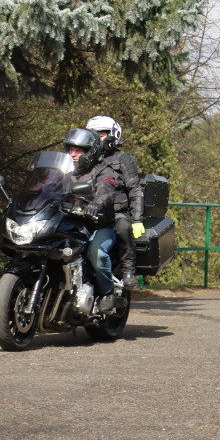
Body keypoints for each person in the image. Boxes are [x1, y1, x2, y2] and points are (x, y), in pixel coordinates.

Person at [63, 127, 121, 312]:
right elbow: (45, 185)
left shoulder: (104, 168)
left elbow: (106, 188)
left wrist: (96, 202)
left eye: (78, 150)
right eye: (70, 149)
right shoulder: (65, 170)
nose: (73, 154)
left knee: (96, 252)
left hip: (100, 224)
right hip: (72, 223)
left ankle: (107, 293)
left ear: (90, 152)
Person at [86, 115, 144, 290]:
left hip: (117, 211)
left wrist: (137, 219)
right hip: (88, 210)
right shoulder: (85, 158)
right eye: (93, 134)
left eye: (101, 134)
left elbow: (134, 189)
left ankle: (127, 271)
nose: (97, 138)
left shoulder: (123, 158)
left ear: (113, 135)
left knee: (123, 228)